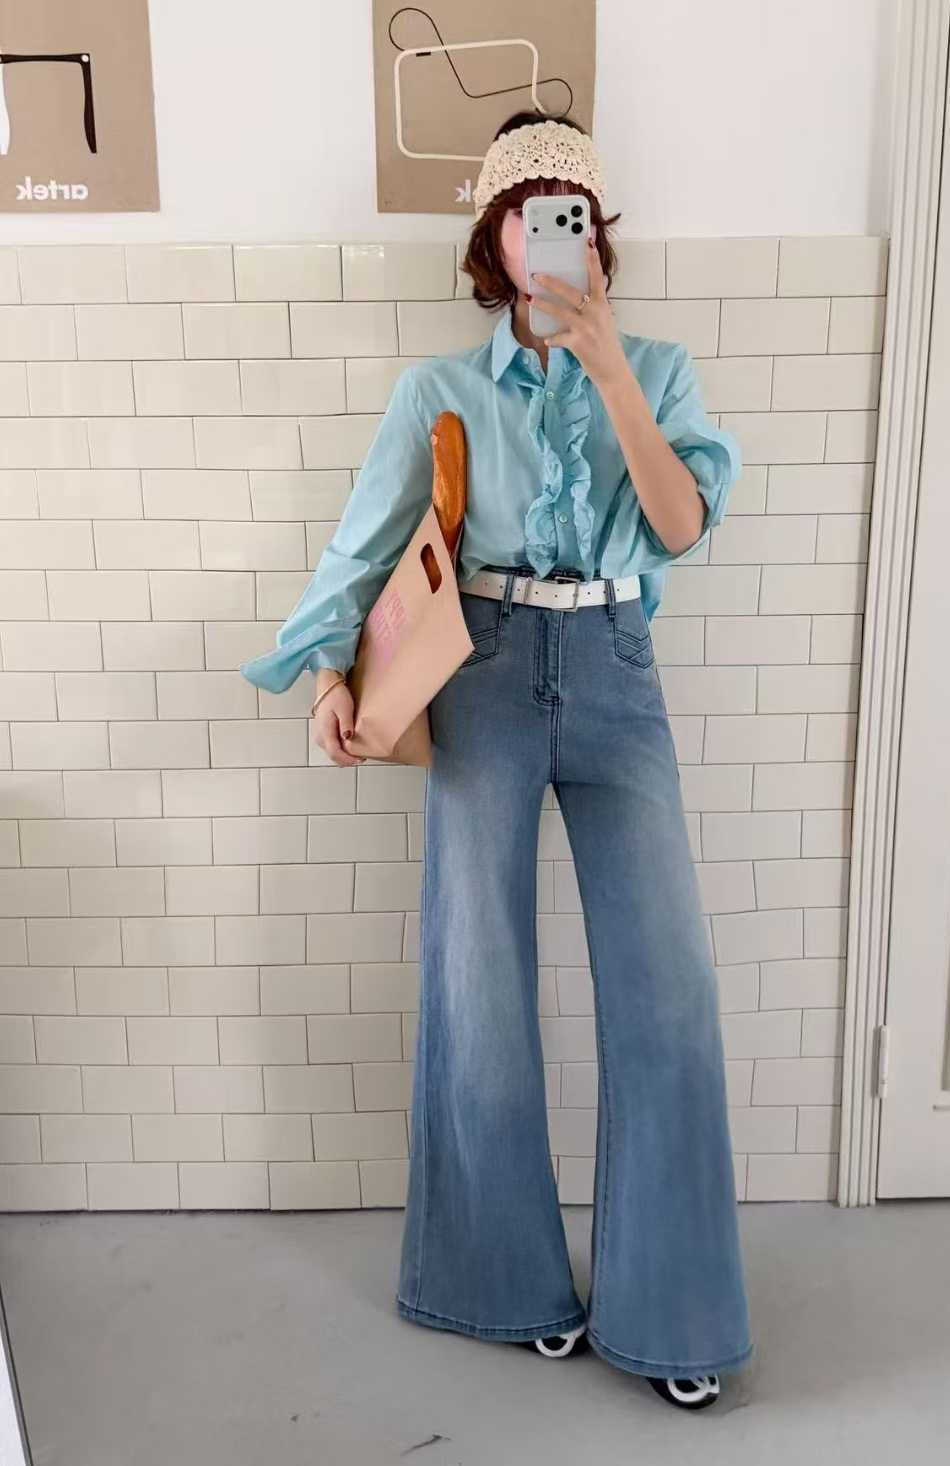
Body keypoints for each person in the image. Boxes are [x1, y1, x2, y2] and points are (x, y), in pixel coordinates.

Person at [239, 111, 754, 1413]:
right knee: (479, 982)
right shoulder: (440, 392)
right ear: (494, 239)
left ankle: (674, 1306)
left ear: (598, 234)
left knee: (668, 991)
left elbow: (679, 527)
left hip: (617, 669)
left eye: (569, 209)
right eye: (526, 211)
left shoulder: (662, 370)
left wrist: (612, 370)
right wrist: (327, 675)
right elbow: (364, 545)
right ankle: (500, 1280)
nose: (548, 231)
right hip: (483, 671)